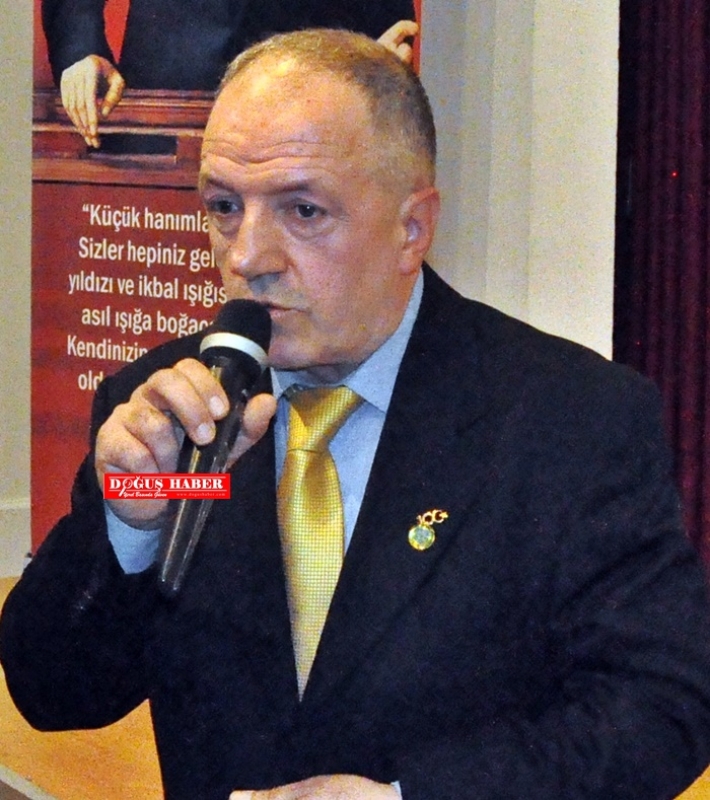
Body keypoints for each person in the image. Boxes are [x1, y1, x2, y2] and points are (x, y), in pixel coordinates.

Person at [5, 28, 710, 800]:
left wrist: (415, 798)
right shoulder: (169, 406)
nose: (247, 257)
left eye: (303, 210)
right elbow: (53, 693)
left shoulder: (569, 420)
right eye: (224, 206)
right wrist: (129, 527)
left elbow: (659, 710)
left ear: (412, 229)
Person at [41, 0, 416, 147]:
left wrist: (374, 60)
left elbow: (388, 24)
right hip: (163, 112)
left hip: (315, 111)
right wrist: (81, 50)